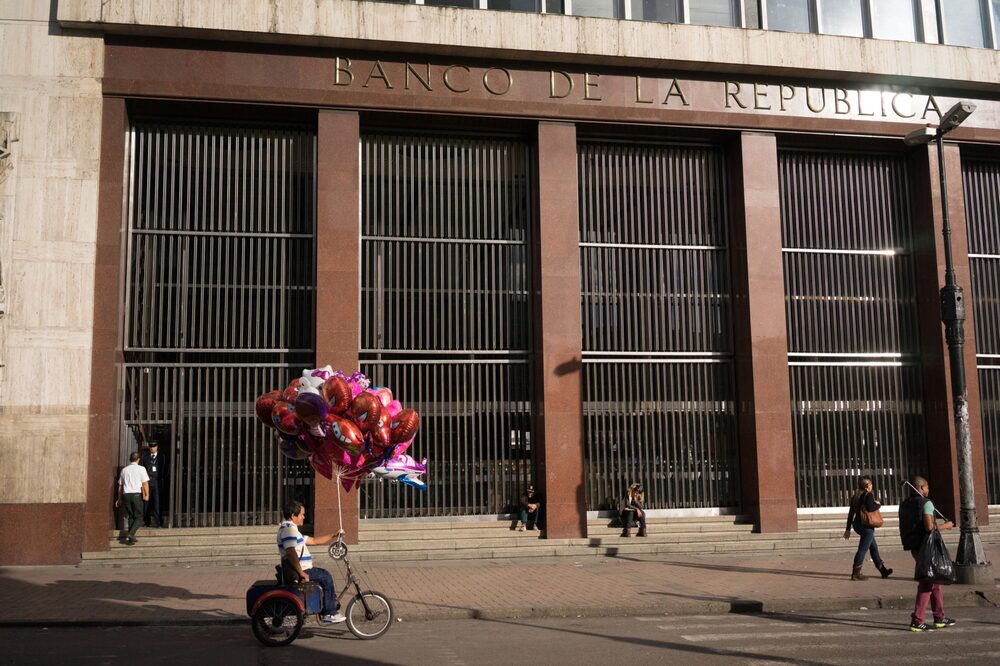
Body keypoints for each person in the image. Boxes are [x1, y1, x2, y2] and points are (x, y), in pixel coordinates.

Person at [899, 475, 956, 632]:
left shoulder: (905, 504)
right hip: (927, 547)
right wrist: (946, 525)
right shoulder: (926, 503)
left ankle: (939, 616)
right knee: (927, 581)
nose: (928, 490)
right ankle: (917, 620)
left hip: (914, 546)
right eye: (927, 487)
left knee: (933, 579)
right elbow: (929, 527)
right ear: (922, 488)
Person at [277, 500, 346, 625]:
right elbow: (291, 552)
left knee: (323, 577)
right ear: (293, 515)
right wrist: (301, 573)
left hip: (301, 569)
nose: (304, 517)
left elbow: (313, 540)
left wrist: (333, 535)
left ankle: (325, 608)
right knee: (326, 576)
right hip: (301, 570)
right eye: (302, 514)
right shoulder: (289, 530)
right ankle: (329, 613)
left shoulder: (292, 530)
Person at [842, 476, 893, 580]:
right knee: (862, 550)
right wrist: (878, 504)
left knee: (873, 547)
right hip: (867, 526)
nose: (871, 486)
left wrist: (848, 529)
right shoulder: (868, 494)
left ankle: (883, 570)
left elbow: (851, 513)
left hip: (857, 525)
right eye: (870, 484)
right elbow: (870, 508)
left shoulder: (855, 496)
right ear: (867, 486)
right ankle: (856, 573)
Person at [115, 452, 149, 545]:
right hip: (136, 495)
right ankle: (131, 534)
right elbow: (145, 483)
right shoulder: (141, 469)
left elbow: (120, 486)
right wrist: (146, 495)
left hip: (126, 495)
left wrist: (119, 498)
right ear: (138, 459)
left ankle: (130, 540)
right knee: (139, 517)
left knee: (131, 516)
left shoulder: (124, 470)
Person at [141, 440, 167, 528]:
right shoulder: (145, 457)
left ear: (157, 447)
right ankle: (146, 521)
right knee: (146, 502)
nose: (152, 448)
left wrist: (162, 477)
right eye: (151, 447)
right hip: (147, 482)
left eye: (154, 446)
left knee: (157, 502)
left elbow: (166, 469)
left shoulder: (162, 457)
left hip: (157, 481)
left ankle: (158, 522)